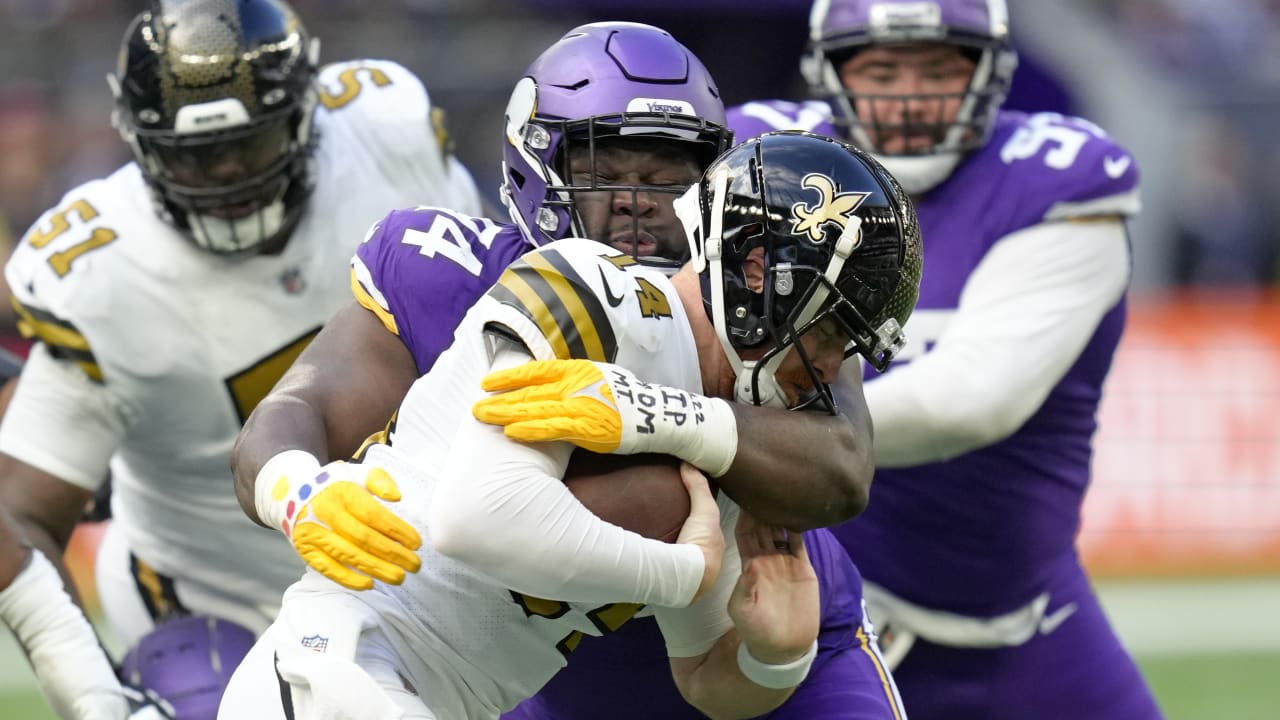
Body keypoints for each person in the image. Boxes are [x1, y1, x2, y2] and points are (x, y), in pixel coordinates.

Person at [228, 23, 915, 719]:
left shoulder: (756, 322)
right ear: (539, 168)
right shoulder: (463, 275)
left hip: (753, 623)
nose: (640, 201)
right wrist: (295, 490)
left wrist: (663, 418)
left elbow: (840, 466)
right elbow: (298, 411)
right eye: (607, 171)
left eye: (669, 177)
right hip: (518, 664)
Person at [0, 0, 481, 715]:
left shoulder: (385, 132)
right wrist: (97, 700)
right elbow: (20, 513)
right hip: (210, 614)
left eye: (248, 146)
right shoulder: (102, 272)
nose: (226, 177)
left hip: (426, 572)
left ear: (305, 116)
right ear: (139, 144)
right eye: (194, 156)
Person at [728, 1, 1163, 718]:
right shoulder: (763, 167)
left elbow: (971, 399)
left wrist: (725, 434)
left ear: (989, 74)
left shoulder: (1057, 178)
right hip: (819, 614)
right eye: (883, 69)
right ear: (826, 74)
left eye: (937, 69)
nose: (910, 93)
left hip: (1024, 622)